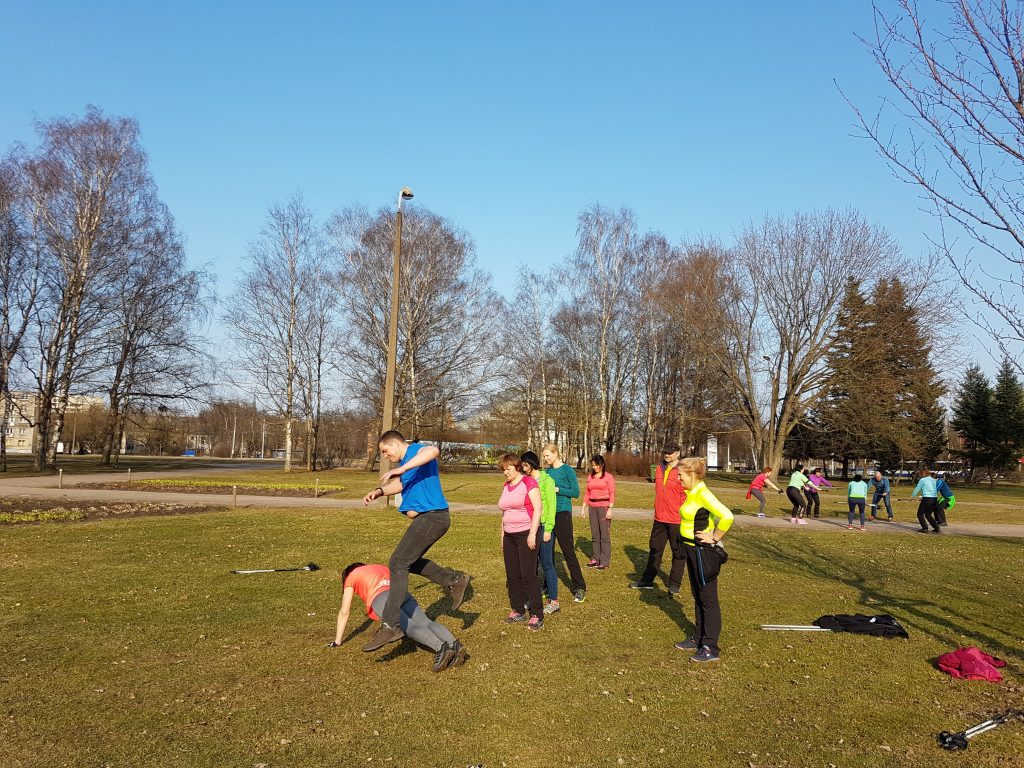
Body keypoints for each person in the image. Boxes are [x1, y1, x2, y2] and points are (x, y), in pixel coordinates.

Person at [360, 431, 471, 651]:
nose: (385, 456)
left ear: (395, 443)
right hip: (429, 518)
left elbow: (433, 451)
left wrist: (402, 468)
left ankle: (391, 624)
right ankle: (454, 580)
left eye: (385, 451)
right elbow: (401, 484)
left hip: (433, 516)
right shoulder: (409, 464)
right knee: (408, 562)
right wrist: (380, 492)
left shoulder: (416, 451)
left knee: (397, 563)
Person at [329, 562, 467, 672]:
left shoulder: (351, 576)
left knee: (409, 627)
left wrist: (337, 641)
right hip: (401, 593)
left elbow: (344, 611)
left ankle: (441, 649)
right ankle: (455, 644)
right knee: (426, 622)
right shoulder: (379, 567)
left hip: (381, 599)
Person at [672, 456, 734, 662]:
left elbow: (727, 516)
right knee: (698, 595)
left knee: (708, 599)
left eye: (680, 475)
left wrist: (714, 538)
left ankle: (710, 647)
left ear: (692, 474)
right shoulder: (691, 493)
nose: (678, 479)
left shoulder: (703, 493)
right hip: (690, 550)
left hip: (702, 553)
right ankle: (697, 638)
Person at [630, 443, 686, 594]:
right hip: (660, 518)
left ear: (678, 453)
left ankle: (674, 585)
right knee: (655, 550)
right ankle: (647, 581)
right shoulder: (660, 468)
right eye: (665, 452)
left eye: (670, 452)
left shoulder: (684, 470)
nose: (667, 455)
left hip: (677, 520)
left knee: (678, 553)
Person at [498, 453, 545, 630]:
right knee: (512, 575)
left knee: (528, 575)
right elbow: (504, 512)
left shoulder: (528, 482)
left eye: (508, 468)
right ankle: (518, 610)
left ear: (517, 467)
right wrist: (502, 535)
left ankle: (537, 614)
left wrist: (533, 534)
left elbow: (538, 508)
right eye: (503, 469)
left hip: (526, 533)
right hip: (509, 536)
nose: (505, 472)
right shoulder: (506, 486)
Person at [540, 444, 587, 603]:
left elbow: (576, 492)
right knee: (547, 553)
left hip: (562, 514)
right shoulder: (546, 472)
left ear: (555, 453)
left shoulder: (567, 470)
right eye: (544, 456)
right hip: (548, 515)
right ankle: (547, 586)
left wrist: (557, 489)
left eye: (547, 455)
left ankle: (579, 587)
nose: (545, 459)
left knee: (568, 551)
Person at [521, 450, 561, 615]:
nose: (523, 469)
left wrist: (548, 529)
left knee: (547, 564)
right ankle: (533, 597)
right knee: (531, 565)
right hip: (530, 526)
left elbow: (551, 506)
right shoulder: (525, 481)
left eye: (525, 465)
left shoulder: (547, 480)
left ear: (531, 465)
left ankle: (554, 600)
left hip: (544, 526)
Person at [582, 454, 615, 569]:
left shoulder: (608, 477)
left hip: (603, 507)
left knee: (604, 535)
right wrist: (583, 507)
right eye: (593, 465)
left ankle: (604, 561)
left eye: (597, 465)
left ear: (602, 465)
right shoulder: (590, 477)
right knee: (595, 534)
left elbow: (612, 493)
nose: (595, 467)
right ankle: (595, 558)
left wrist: (610, 509)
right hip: (592, 508)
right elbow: (587, 493)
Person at [910, 468, 941, 533]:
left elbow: (917, 488)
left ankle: (925, 528)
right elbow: (932, 489)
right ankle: (937, 528)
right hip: (934, 498)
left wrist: (912, 496)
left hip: (927, 498)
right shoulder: (933, 479)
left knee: (920, 514)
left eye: (919, 474)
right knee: (928, 514)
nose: (919, 476)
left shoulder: (922, 480)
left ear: (922, 474)